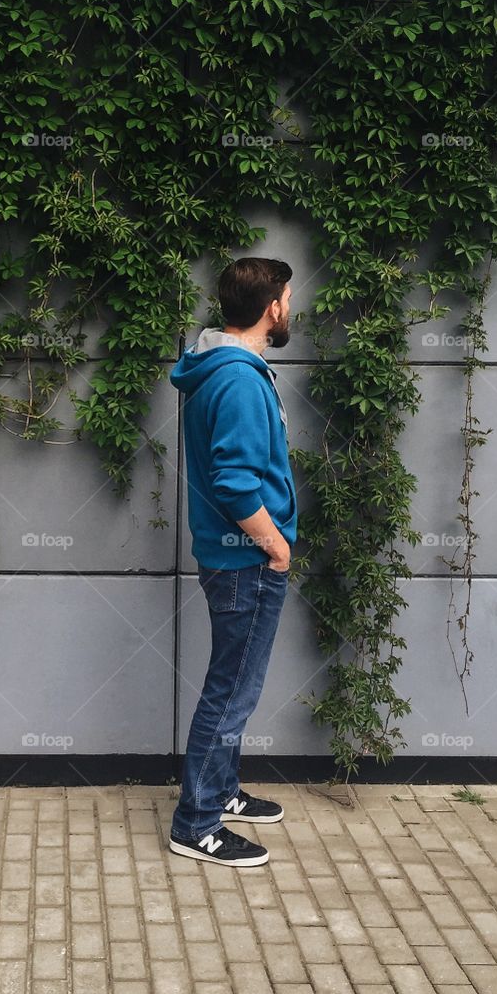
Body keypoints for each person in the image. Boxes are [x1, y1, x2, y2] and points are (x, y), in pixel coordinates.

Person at [168, 257, 297, 867]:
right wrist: (275, 546)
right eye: (288, 298)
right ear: (272, 307)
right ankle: (195, 824)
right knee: (230, 692)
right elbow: (236, 483)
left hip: (234, 560)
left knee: (233, 685)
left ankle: (219, 792)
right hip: (247, 561)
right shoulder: (241, 380)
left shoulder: (218, 369)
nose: (290, 308)